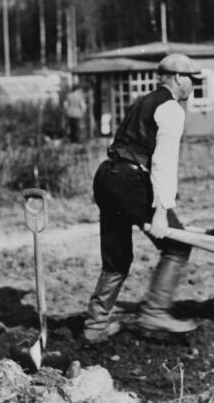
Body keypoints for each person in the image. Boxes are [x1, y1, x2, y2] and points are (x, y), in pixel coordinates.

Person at [84, 53, 202, 342]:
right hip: (130, 180)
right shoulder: (171, 109)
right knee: (177, 245)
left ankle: (95, 325)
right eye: (192, 79)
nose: (193, 86)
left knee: (116, 257)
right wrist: (161, 211)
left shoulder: (143, 101)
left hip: (107, 176)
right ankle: (155, 312)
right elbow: (164, 162)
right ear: (178, 78)